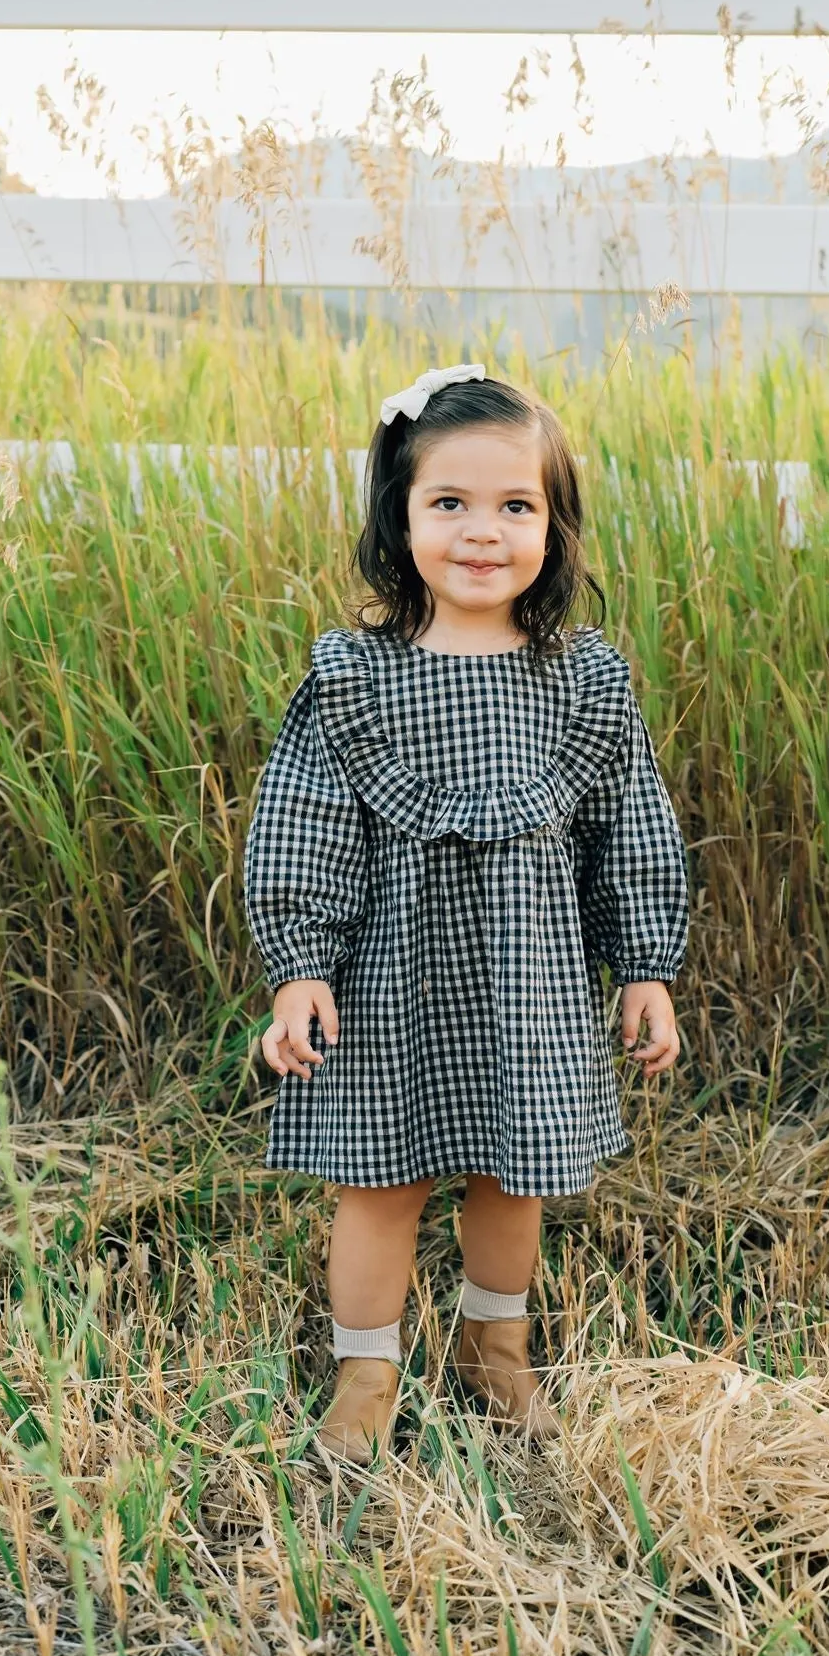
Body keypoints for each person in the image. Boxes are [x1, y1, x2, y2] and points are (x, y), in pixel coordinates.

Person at [241, 363, 689, 1469]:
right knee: (378, 1181)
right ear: (400, 520)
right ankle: (366, 1368)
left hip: (527, 980)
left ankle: (500, 1347)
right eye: (450, 503)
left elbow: (631, 823)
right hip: (391, 976)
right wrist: (301, 965)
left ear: (555, 525)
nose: (483, 531)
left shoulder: (581, 681)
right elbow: (303, 821)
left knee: (510, 1174)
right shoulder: (358, 678)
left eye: (515, 505)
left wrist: (644, 962)